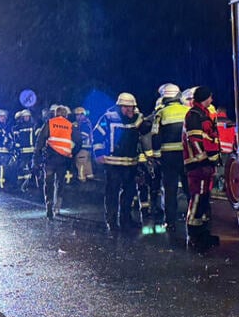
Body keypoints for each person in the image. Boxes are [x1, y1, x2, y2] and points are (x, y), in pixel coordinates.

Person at [93, 93, 148, 233]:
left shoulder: (136, 119)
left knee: (129, 194)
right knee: (112, 193)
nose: (129, 110)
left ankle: (126, 220)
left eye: (131, 107)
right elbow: (97, 135)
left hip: (131, 163)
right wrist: (99, 153)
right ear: (119, 106)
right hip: (113, 163)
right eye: (126, 107)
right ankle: (111, 221)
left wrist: (140, 116)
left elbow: (146, 129)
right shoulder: (108, 117)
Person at [183, 85, 221, 251]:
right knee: (198, 197)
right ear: (205, 98)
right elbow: (195, 141)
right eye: (210, 97)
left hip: (205, 163)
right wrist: (203, 159)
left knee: (204, 198)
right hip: (198, 164)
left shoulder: (202, 114)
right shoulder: (194, 115)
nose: (212, 99)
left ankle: (203, 232)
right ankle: (193, 233)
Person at [151, 83, 189, 232]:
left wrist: (156, 156)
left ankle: (170, 222)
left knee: (170, 190)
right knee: (188, 188)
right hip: (186, 156)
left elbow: (155, 135)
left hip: (168, 158)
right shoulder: (187, 111)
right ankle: (193, 218)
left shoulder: (161, 113)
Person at [35, 105, 82, 219]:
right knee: (60, 182)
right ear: (66, 115)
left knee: (48, 182)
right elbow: (79, 141)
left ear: (55, 114)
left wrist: (36, 157)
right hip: (63, 160)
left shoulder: (50, 123)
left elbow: (40, 141)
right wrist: (72, 152)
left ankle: (49, 204)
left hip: (50, 158)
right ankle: (57, 207)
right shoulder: (70, 125)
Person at [12, 109, 37, 191]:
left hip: (32, 150)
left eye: (27, 116)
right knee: (22, 167)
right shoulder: (19, 127)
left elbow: (35, 137)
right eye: (25, 117)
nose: (26, 118)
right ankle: (21, 183)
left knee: (31, 167)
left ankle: (29, 184)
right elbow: (17, 139)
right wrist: (17, 148)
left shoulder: (33, 126)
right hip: (23, 151)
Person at [72, 107, 95, 183]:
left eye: (78, 115)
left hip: (82, 147)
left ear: (82, 115)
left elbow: (81, 136)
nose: (77, 117)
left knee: (81, 163)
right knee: (87, 163)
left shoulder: (82, 124)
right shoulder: (88, 123)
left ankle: (81, 177)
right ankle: (89, 175)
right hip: (88, 147)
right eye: (76, 115)